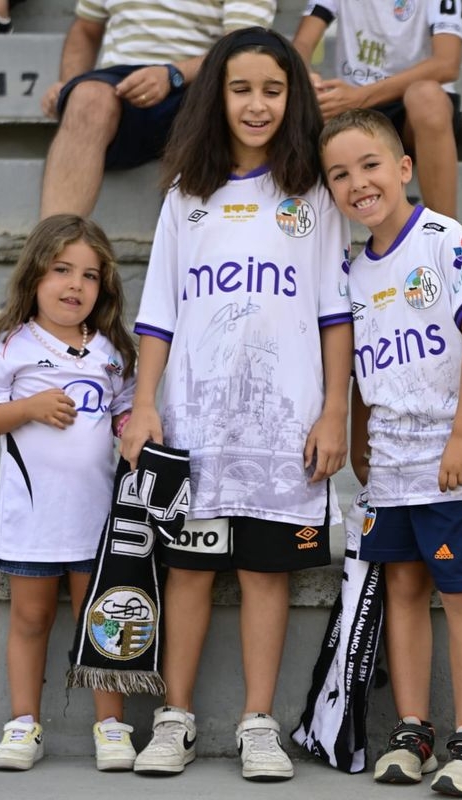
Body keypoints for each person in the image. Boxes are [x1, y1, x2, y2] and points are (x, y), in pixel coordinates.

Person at [118, 26, 354, 783]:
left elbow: (335, 315)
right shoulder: (186, 196)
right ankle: (175, 718)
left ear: (294, 98)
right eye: (241, 89)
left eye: (273, 90)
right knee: (188, 572)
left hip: (285, 429)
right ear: (215, 97)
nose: (257, 105)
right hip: (195, 426)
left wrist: (334, 411)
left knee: (263, 574)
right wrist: (144, 404)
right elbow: (159, 314)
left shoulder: (312, 195)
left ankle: (258, 724)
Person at [319, 108, 462, 798]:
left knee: (461, 593)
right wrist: (360, 437)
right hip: (391, 463)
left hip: (458, 457)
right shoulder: (349, 271)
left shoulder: (446, 241)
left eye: (370, 165)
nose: (358, 183)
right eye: (340, 174)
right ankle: (412, 730)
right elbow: (360, 367)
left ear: (403, 168)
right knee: (401, 588)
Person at [0, 214, 139, 772]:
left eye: (90, 275)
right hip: (33, 518)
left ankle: (111, 726)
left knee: (103, 621)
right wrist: (29, 408)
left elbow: (125, 410)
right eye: (62, 270)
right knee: (31, 619)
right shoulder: (11, 345)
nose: (75, 285)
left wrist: (130, 429)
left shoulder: (110, 349)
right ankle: (23, 725)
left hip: (94, 518)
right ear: (35, 274)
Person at [38, 0, 276, 218]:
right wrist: (68, 82)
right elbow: (85, 29)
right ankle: (53, 244)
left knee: (207, 108)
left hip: (200, 84)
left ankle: (188, 245)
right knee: (87, 98)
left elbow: (242, 46)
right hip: (119, 87)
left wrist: (173, 74)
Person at [292, 0, 462, 218]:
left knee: (427, 97)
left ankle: (445, 233)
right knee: (296, 101)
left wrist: (360, 97)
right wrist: (307, 76)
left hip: (411, 114)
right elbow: (302, 44)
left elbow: (447, 64)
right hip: (357, 113)